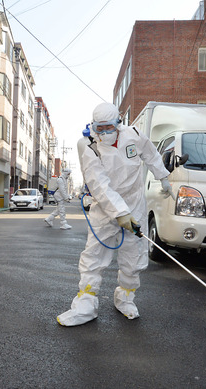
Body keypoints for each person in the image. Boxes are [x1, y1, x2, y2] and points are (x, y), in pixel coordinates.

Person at [57, 102, 174, 326]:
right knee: (94, 256)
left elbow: (151, 154)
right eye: (99, 128)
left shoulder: (134, 136)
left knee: (134, 256)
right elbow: (99, 184)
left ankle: (125, 298)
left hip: (135, 206)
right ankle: (86, 303)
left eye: (108, 127)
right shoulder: (89, 146)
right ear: (93, 126)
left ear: (118, 123)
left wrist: (163, 177)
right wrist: (119, 212)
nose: (104, 133)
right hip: (104, 208)